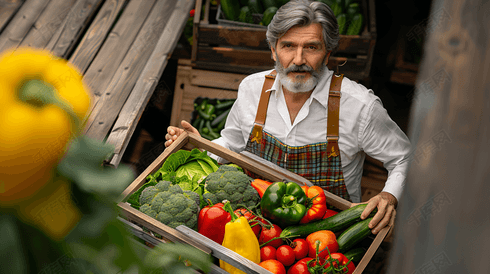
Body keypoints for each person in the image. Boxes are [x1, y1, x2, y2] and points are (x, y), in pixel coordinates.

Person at [165, 0, 411, 234]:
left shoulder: (360, 107)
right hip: (253, 219)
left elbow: (405, 158)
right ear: (273, 50)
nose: (298, 60)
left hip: (326, 232)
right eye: (288, 46)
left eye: (311, 47)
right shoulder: (251, 89)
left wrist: (389, 196)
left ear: (327, 54)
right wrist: (198, 146)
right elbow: (231, 143)